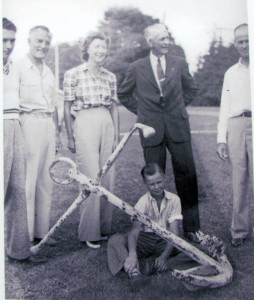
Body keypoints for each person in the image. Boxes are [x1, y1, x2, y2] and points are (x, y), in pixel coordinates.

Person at [118, 23, 202, 242]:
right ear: (150, 42)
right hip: (151, 130)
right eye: (162, 38)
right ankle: (158, 228)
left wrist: (177, 109)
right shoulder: (137, 67)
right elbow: (123, 94)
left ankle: (192, 228)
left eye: (168, 38)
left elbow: (191, 90)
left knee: (188, 176)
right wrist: (145, 112)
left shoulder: (179, 63)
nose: (167, 42)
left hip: (178, 127)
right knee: (154, 178)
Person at [63, 32, 119, 249]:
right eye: (96, 46)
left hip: (106, 121)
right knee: (89, 176)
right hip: (84, 121)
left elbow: (114, 106)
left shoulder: (110, 76)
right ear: (87, 49)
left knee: (107, 177)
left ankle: (104, 228)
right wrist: (70, 135)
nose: (101, 51)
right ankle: (89, 232)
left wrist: (116, 135)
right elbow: (67, 108)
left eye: (104, 47)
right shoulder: (73, 74)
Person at [3, 17, 44, 262]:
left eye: (11, 40)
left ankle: (18, 251)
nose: (7, 45)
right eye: (3, 40)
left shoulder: (14, 66)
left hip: (14, 126)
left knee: (17, 191)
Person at [16, 25, 61, 245]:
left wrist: (57, 132)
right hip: (28, 123)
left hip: (47, 125)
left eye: (46, 42)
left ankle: (42, 233)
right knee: (28, 182)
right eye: (39, 41)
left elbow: (53, 104)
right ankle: (24, 235)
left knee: (45, 181)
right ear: (29, 40)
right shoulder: (17, 67)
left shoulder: (48, 70)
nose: (43, 46)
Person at [107, 163, 185, 289]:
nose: (157, 187)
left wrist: (165, 256)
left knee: (192, 250)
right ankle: (135, 273)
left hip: (165, 241)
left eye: (159, 182)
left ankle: (153, 265)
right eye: (152, 184)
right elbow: (134, 232)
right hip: (145, 239)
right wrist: (132, 254)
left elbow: (174, 232)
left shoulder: (174, 200)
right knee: (115, 240)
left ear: (164, 178)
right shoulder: (142, 203)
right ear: (145, 183)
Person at [217, 24, 252, 247]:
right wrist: (221, 138)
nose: (244, 45)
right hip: (237, 125)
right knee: (238, 180)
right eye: (240, 41)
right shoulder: (231, 72)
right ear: (235, 44)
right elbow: (225, 107)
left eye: (248, 40)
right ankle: (239, 231)